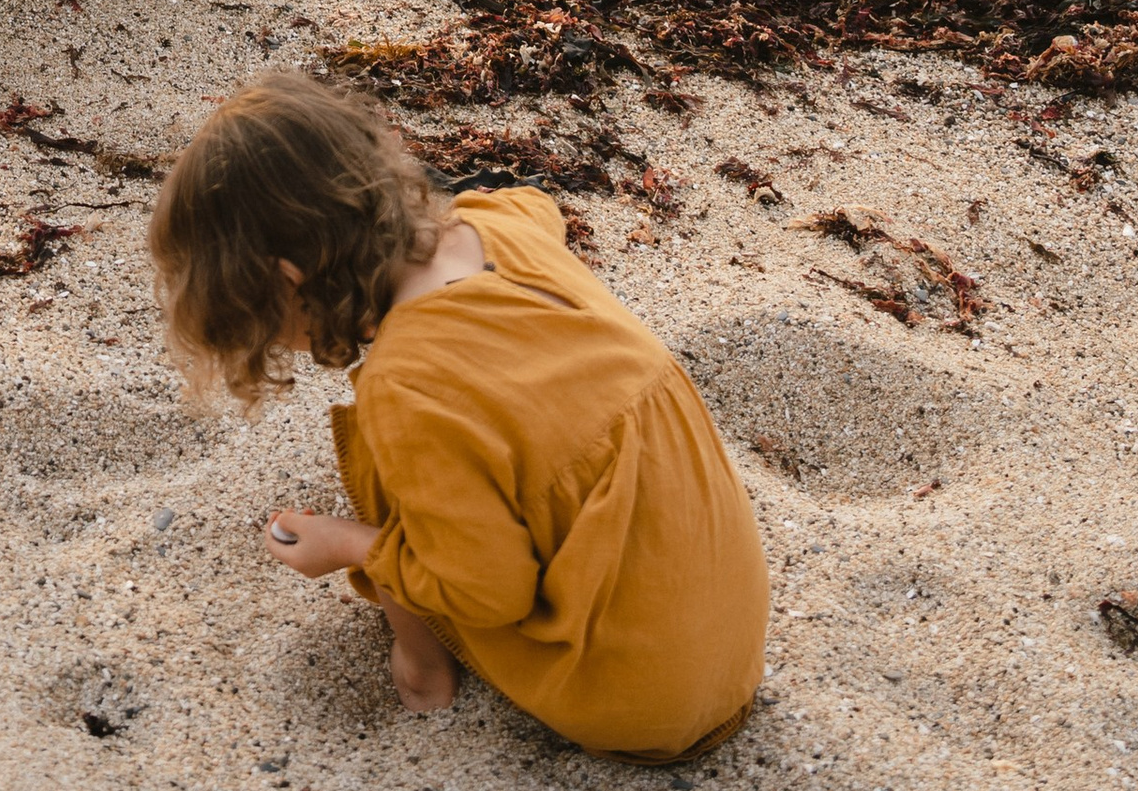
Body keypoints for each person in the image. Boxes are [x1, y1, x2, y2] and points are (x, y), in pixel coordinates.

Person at [148, 72, 770, 753]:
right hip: (728, 651)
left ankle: (424, 670)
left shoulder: (408, 385)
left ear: (288, 279)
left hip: (631, 694)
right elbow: (535, 205)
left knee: (382, 458)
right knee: (479, 439)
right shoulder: (496, 225)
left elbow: (487, 593)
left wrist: (349, 544)